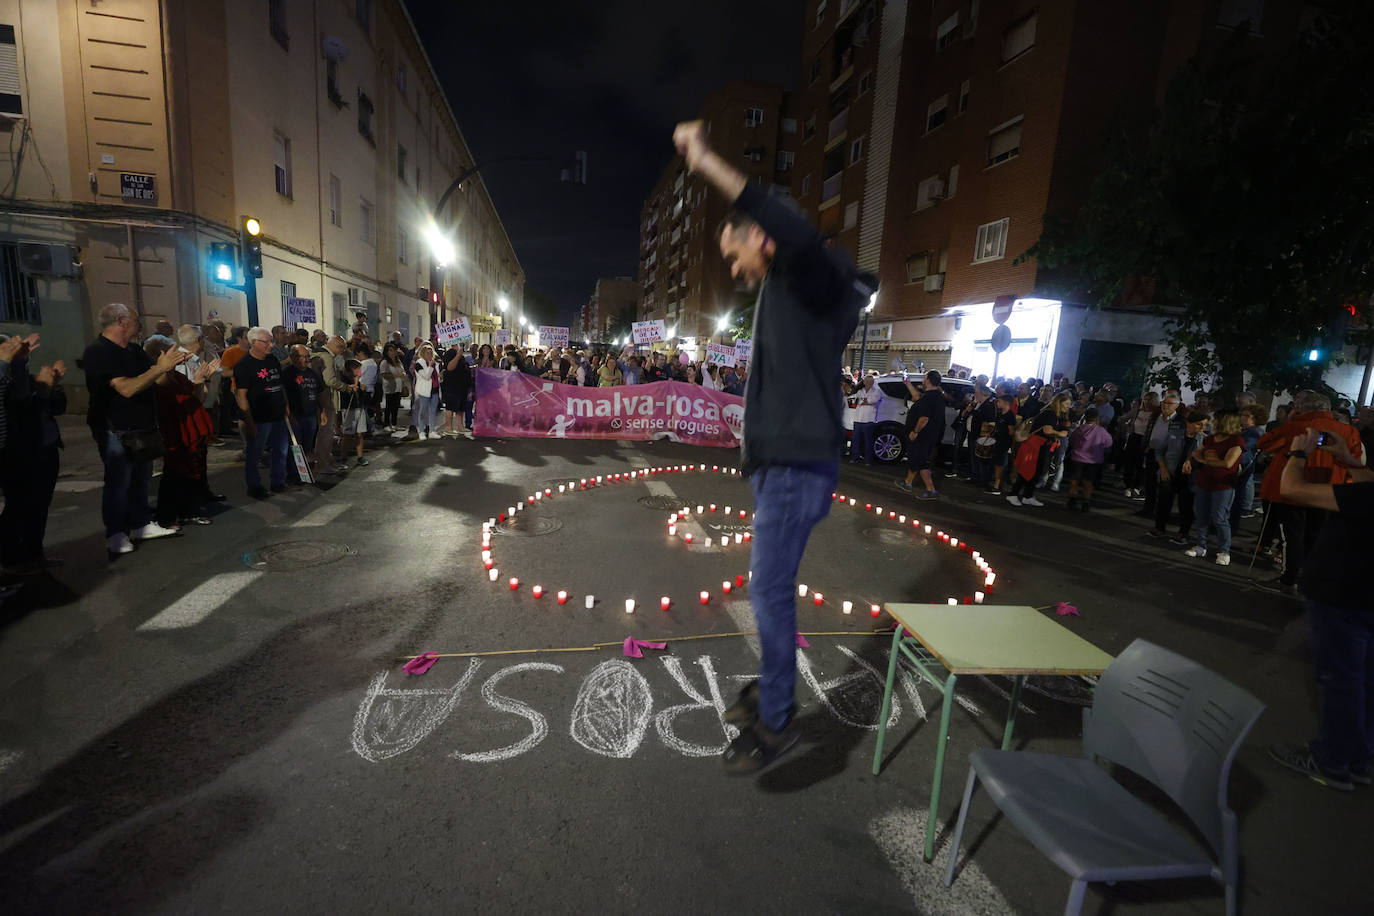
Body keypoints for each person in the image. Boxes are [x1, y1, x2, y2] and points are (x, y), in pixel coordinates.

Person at [674, 117, 866, 772]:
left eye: (734, 254)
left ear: (762, 234)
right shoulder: (790, 291)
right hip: (782, 466)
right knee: (771, 591)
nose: (734, 268)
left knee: (769, 594)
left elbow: (795, 229)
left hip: (793, 466)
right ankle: (773, 689)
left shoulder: (808, 276)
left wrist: (705, 159)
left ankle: (777, 719)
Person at [1267, 427, 1374, 791]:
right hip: (1362, 598)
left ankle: (1332, 760)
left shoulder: (1365, 497)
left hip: (1343, 597)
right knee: (1366, 682)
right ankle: (1359, 760)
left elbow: (1292, 489)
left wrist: (1298, 454)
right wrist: (1348, 460)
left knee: (1342, 681)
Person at [83, 303, 187, 557]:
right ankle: (115, 533)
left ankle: (141, 524)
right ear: (121, 321)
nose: (140, 324)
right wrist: (158, 368)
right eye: (136, 320)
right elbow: (126, 389)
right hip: (114, 428)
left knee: (141, 479)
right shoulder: (99, 351)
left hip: (142, 427)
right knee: (119, 483)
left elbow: (158, 381)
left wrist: (169, 367)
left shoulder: (134, 350)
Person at [1256, 390, 1365, 593]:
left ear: (1301, 408)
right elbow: (1355, 460)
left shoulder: (1296, 426)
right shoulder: (1348, 431)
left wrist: (1290, 421)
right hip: (1328, 491)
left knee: (1292, 537)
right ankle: (1308, 578)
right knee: (1315, 536)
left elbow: (1264, 443)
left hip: (1292, 491)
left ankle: (1288, 579)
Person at [0, 342, 66, 573]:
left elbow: (57, 407)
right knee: (19, 507)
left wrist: (54, 385)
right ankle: (12, 557)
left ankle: (34, 553)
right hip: (21, 454)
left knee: (40, 505)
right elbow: (24, 412)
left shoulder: (27, 380)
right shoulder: (7, 386)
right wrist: (44, 389)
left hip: (46, 449)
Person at [146, 337, 219, 528]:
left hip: (190, 428)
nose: (181, 355)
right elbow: (163, 382)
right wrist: (167, 365)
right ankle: (167, 516)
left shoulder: (177, 375)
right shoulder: (158, 376)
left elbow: (196, 399)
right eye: (174, 351)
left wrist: (202, 380)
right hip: (174, 430)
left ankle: (188, 510)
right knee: (175, 473)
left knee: (191, 471)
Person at [233, 327, 290, 498]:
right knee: (255, 453)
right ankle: (254, 486)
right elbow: (241, 395)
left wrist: (286, 406)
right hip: (260, 417)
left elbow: (280, 385)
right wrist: (249, 421)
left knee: (281, 450)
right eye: (267, 342)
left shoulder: (272, 359)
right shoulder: (244, 365)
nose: (271, 345)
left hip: (278, 414)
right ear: (254, 342)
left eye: (271, 341)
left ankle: (278, 482)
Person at [1185, 411, 1244, 565]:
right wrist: (1203, 460)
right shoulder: (1210, 439)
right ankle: (1201, 545)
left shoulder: (1236, 441)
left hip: (1223, 485)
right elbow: (1196, 453)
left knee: (1220, 518)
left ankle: (1224, 550)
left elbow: (1228, 463)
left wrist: (1206, 461)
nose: (1213, 422)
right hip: (1204, 482)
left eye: (1216, 420)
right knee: (1201, 515)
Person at [1007, 391, 1071, 507]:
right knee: (1027, 471)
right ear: (1059, 403)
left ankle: (1028, 496)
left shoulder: (1054, 414)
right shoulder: (1050, 414)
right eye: (1066, 404)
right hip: (1034, 445)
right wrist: (1060, 433)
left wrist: (1057, 434)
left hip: (1040, 445)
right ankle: (1013, 494)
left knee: (1036, 472)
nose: (1068, 407)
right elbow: (1047, 430)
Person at [896, 370, 946, 499]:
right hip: (929, 435)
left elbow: (924, 418)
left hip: (922, 436)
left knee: (921, 462)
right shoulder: (937, 396)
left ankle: (931, 490)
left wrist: (915, 431)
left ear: (928, 381)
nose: (923, 381)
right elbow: (918, 398)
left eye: (924, 378)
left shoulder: (929, 398)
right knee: (915, 459)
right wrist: (907, 384)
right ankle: (908, 482)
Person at [282, 344, 327, 482]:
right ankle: (293, 474)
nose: (307, 359)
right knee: (295, 446)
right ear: (294, 357)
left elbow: (320, 392)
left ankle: (304, 472)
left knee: (308, 445)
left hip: (311, 414)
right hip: (295, 415)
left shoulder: (312, 373)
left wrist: (323, 411)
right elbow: (283, 395)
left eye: (308, 356)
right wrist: (288, 414)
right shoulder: (287, 373)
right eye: (303, 356)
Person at [1064, 407, 1113, 512]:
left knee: (1075, 480)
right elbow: (1108, 443)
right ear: (1097, 418)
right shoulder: (1102, 431)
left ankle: (1072, 499)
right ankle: (1086, 502)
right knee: (1088, 482)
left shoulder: (1080, 429)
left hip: (1078, 458)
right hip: (1093, 460)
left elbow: (1072, 440)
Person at [338, 358, 370, 466]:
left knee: (360, 434)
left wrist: (361, 388)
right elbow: (344, 395)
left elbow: (362, 394)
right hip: (349, 408)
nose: (360, 372)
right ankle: (343, 457)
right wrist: (353, 387)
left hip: (359, 408)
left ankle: (360, 456)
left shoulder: (358, 380)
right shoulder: (344, 381)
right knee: (347, 434)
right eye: (358, 369)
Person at [849, 374, 882, 465]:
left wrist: (864, 401)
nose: (868, 383)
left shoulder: (877, 391)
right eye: (866, 381)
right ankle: (854, 458)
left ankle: (868, 460)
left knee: (868, 441)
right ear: (864, 382)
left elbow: (872, 401)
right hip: (858, 419)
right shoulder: (860, 391)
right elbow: (856, 401)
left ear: (873, 382)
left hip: (869, 420)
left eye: (870, 381)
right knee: (855, 441)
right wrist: (866, 401)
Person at [441, 341, 472, 437]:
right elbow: (450, 367)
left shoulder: (462, 355)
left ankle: (460, 426)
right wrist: (458, 355)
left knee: (461, 406)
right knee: (450, 406)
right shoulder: (449, 353)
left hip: (461, 385)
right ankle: (448, 427)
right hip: (452, 385)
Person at [410, 343, 442, 439]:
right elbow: (426, 376)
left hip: (435, 390)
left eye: (431, 353)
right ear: (422, 353)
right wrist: (431, 366)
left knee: (433, 411)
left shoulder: (435, 363)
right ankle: (421, 431)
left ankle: (432, 431)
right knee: (423, 411)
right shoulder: (419, 364)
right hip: (424, 390)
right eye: (427, 353)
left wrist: (440, 377)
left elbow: (435, 377)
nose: (429, 355)